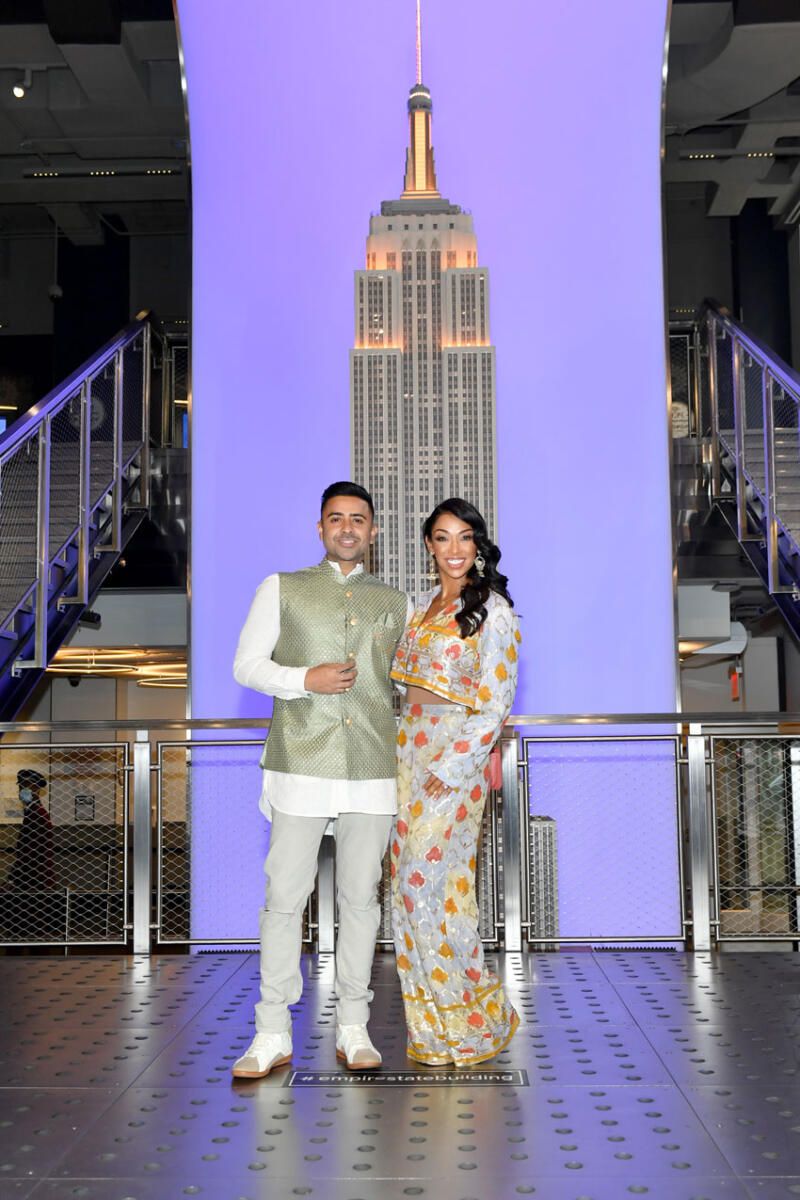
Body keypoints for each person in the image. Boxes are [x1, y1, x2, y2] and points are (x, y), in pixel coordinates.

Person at [230, 481, 408, 1079]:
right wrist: (305, 679)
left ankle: (353, 1024)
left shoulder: (396, 601)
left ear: (373, 531)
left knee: (361, 899)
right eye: (336, 518)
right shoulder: (281, 587)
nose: (347, 528)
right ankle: (271, 1030)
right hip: (299, 762)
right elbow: (246, 666)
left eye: (358, 519)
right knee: (284, 899)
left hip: (373, 767)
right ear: (320, 528)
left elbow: (405, 684)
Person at [389, 498, 521, 1066]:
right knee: (413, 892)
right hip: (406, 753)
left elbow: (496, 703)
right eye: (443, 537)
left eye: (465, 537)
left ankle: (472, 1021)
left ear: (478, 544)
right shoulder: (420, 607)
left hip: (453, 759)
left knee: (426, 887)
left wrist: (453, 767)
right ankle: (431, 1029)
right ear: (429, 546)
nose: (454, 549)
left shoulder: (493, 611)